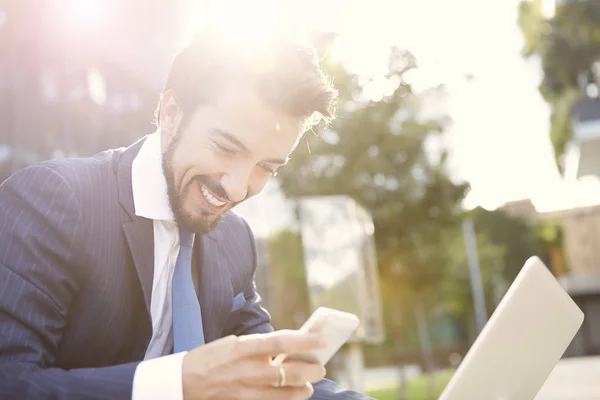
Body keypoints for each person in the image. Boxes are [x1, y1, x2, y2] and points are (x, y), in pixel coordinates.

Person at [0, 28, 374, 400]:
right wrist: (179, 384)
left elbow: (267, 375)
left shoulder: (236, 241)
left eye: (267, 167)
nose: (238, 187)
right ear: (171, 113)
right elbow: (10, 382)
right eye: (226, 147)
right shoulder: (52, 200)